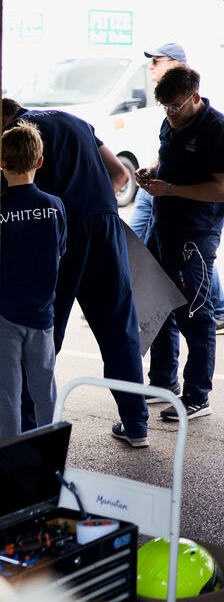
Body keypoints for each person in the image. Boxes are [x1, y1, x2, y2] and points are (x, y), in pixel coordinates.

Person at [2, 98, 150, 448]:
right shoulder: (77, 120)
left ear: (4, 118)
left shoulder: (18, 130)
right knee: (119, 327)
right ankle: (136, 424)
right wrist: (91, 203)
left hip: (63, 225)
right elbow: (120, 174)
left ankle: (26, 428)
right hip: (106, 224)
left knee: (43, 326)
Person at [137, 66, 224, 422]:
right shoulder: (170, 122)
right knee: (159, 302)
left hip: (195, 234)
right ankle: (163, 381)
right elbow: (166, 156)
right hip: (163, 226)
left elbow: (221, 188)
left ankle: (197, 395)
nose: (170, 114)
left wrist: (171, 189)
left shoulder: (216, 130)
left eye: (175, 107)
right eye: (165, 108)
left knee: (195, 314)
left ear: (195, 97)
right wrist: (153, 171)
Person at [0, 122, 67, 439]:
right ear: (40, 162)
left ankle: (7, 460)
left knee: (8, 395)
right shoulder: (54, 207)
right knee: (44, 391)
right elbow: (61, 249)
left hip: (5, 313)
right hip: (42, 314)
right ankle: (49, 457)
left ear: (1, 163)